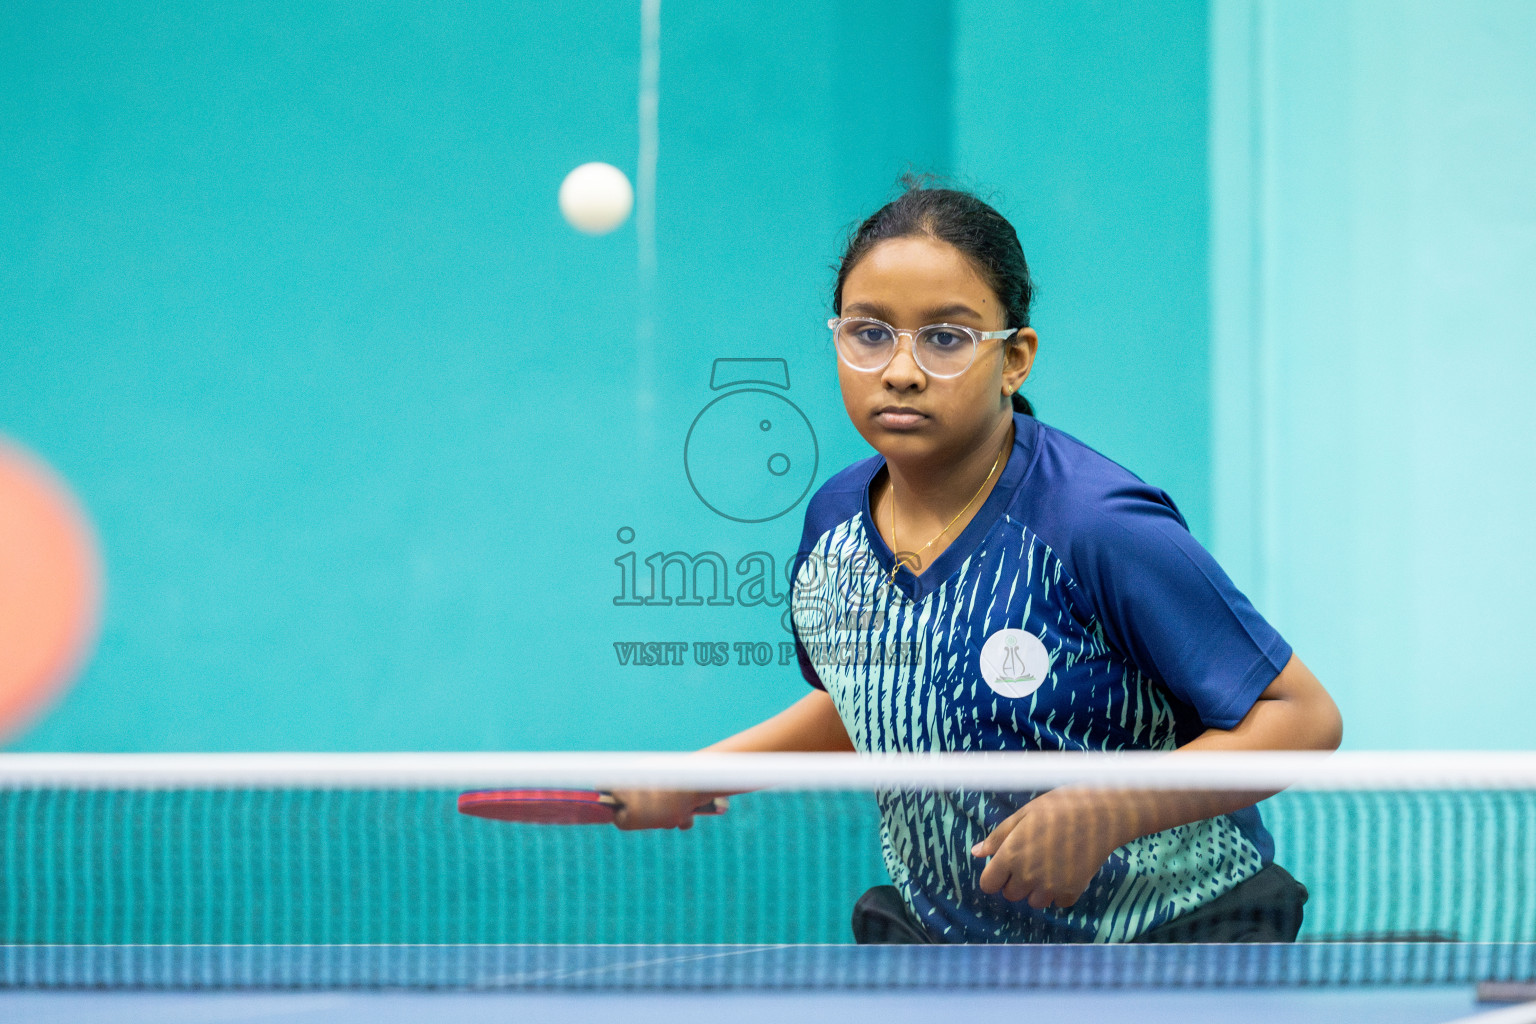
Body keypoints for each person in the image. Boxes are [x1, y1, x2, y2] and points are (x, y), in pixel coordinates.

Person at [613, 178, 1343, 944]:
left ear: (1015, 358)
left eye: (946, 338)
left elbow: (1301, 717)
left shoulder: (1095, 526)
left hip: (1175, 941)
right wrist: (703, 772)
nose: (900, 370)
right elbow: (878, 694)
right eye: (869, 333)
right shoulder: (833, 524)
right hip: (962, 949)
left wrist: (1112, 807)